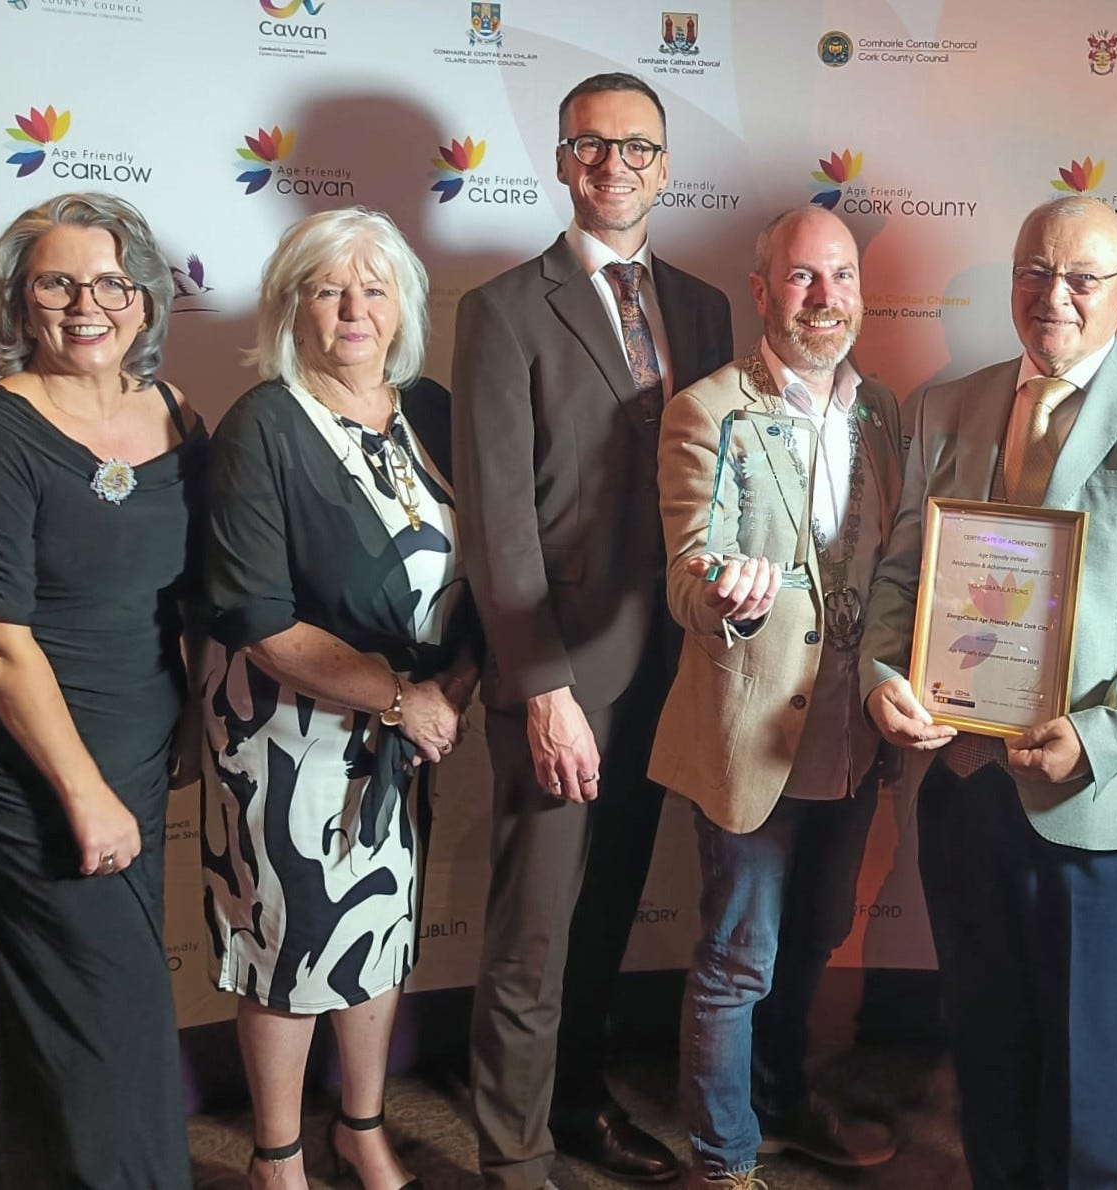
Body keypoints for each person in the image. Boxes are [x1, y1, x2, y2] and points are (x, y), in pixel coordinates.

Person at [861, 196, 1117, 1189]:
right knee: (981, 1054)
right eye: (1033, 271)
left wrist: (1098, 734)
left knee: (1081, 1080)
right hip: (960, 790)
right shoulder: (945, 405)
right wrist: (881, 677)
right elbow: (899, 579)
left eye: (1080, 278)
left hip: (1093, 805)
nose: (1052, 296)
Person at [453, 70, 733, 1190]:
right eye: (588, 146)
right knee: (532, 928)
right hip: (562, 675)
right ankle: (512, 1153)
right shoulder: (502, 309)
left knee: (611, 906)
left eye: (634, 147)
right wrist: (540, 689)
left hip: (671, 665)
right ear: (562, 162)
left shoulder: (707, 309)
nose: (612, 164)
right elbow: (497, 517)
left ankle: (574, 1107)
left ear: (664, 167)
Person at [199, 206, 477, 1190]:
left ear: (402, 302)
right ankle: (278, 1158)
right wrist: (403, 699)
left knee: (378, 930)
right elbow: (261, 620)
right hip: (286, 735)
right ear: (293, 308)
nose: (354, 308)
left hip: (403, 736)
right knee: (288, 947)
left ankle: (361, 1129)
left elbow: (477, 578)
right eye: (328, 288)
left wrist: (446, 690)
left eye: (373, 286)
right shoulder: (263, 426)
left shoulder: (433, 410)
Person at [651, 206, 903, 1189]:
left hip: (852, 734)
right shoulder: (706, 409)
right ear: (761, 291)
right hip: (750, 735)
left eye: (839, 277)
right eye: (801, 278)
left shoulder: (882, 409)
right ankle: (722, 1156)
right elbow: (684, 570)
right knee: (738, 955)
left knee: (812, 938)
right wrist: (725, 596)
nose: (823, 299)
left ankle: (783, 1101)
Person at [0, 192, 199, 1186]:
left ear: (146, 300)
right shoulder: (0, 426)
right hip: (41, 778)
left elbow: (187, 601)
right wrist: (81, 792)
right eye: (57, 280)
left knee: (67, 1034)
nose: (88, 302)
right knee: (114, 1030)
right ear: (20, 301)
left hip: (140, 762)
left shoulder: (174, 413)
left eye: (112, 280)